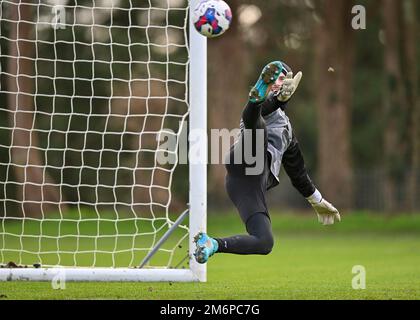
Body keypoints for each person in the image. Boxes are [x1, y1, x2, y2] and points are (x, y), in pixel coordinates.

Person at [194, 61, 341, 263]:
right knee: (257, 126)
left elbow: (298, 173)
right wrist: (278, 99)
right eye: (275, 78)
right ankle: (256, 94)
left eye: (282, 78)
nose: (279, 82)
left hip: (249, 185)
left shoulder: (287, 131)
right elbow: (259, 111)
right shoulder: (266, 106)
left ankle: (212, 244)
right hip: (246, 158)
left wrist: (317, 200)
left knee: (264, 242)